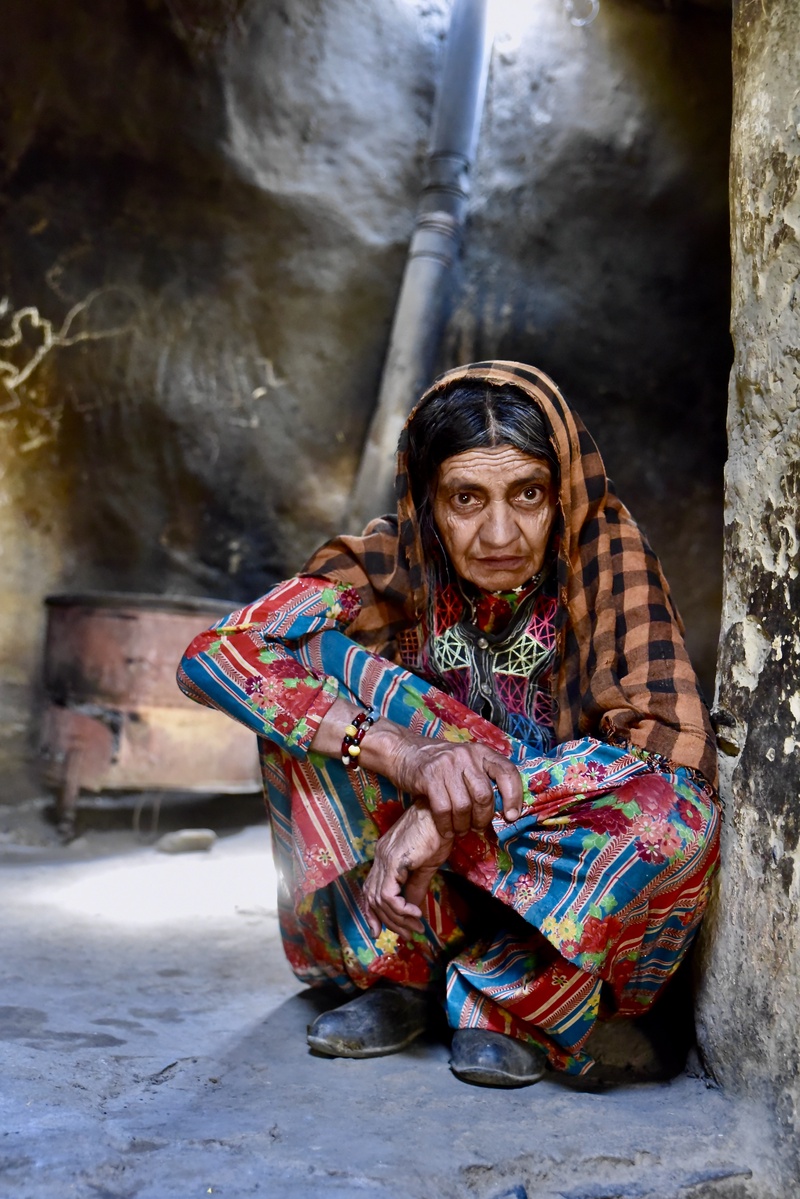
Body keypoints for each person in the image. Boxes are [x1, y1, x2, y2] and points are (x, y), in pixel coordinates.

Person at [178, 360, 720, 1087]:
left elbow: (670, 753)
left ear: (561, 496)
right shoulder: (393, 563)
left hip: (536, 880)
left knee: (677, 816)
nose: (501, 531)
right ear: (427, 501)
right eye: (466, 497)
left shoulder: (605, 560)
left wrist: (453, 809)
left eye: (528, 493)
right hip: (408, 893)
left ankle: (502, 995)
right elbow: (214, 652)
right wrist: (402, 752)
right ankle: (396, 974)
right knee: (294, 659)